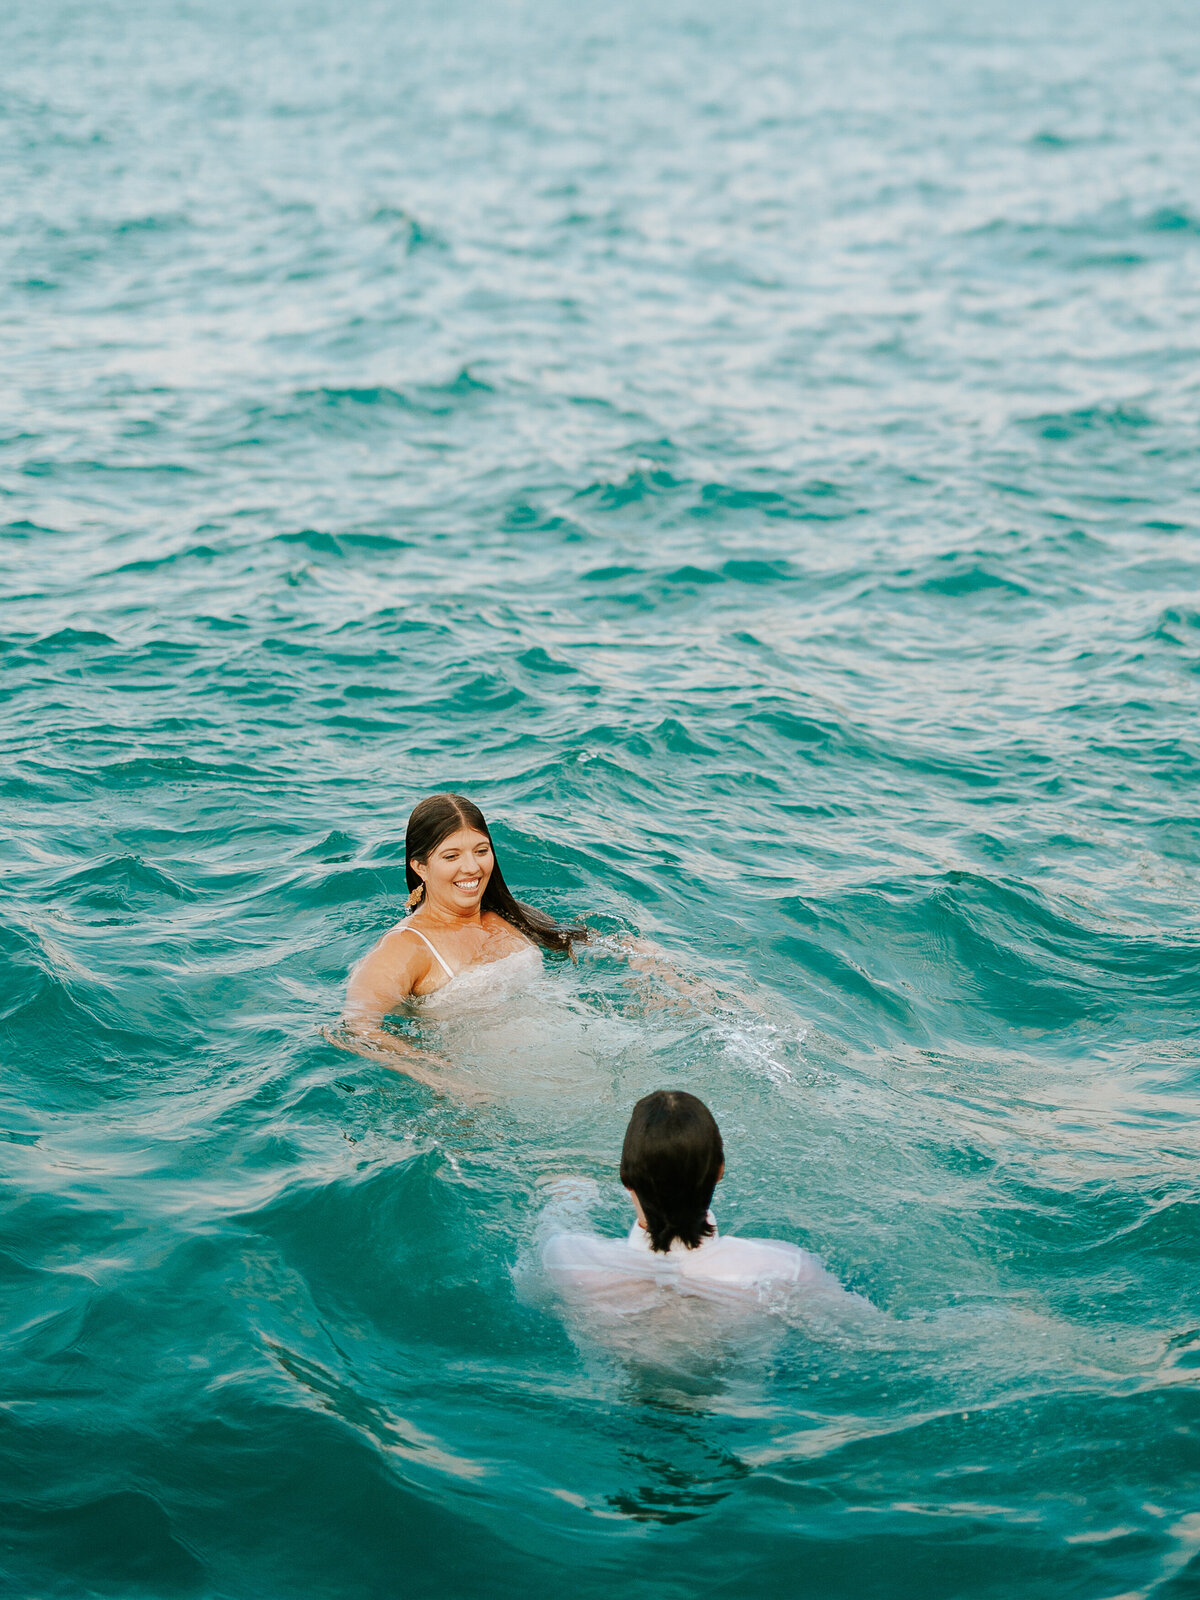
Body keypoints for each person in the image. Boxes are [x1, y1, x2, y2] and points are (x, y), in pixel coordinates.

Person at [328, 792, 586, 1086]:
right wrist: (438, 1075)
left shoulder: (508, 915)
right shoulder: (406, 946)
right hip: (493, 1086)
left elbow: (580, 939)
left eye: (481, 850)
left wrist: (628, 953)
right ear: (420, 867)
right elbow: (355, 1029)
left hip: (577, 1053)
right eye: (452, 856)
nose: (472, 867)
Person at [542, 1090, 860, 1309]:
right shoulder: (787, 1270)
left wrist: (570, 1199)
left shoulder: (566, 1259)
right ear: (719, 1171)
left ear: (626, 1178)